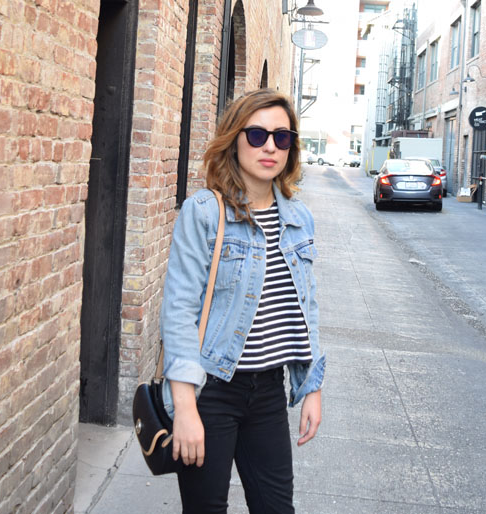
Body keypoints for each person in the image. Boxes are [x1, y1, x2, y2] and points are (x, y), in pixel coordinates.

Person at [160, 88, 325, 514]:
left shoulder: (298, 217)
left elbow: (307, 306)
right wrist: (185, 409)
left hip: (268, 391)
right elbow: (179, 311)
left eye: (282, 137)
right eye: (256, 135)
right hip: (210, 390)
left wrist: (311, 387)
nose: (270, 146)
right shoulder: (204, 212)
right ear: (234, 140)